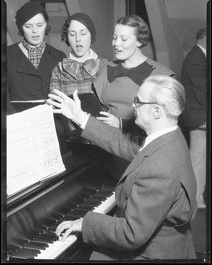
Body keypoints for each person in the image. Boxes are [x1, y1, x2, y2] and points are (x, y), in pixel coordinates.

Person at [47, 75, 197, 261]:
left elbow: (131, 233)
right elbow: (123, 142)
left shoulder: (160, 167)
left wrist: (85, 222)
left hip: (155, 253)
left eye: (138, 102)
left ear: (157, 111)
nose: (133, 107)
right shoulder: (169, 137)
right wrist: (80, 117)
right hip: (164, 240)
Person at [94, 14, 175, 180]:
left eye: (124, 39)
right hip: (107, 150)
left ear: (139, 41)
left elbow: (163, 128)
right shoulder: (106, 68)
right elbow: (99, 107)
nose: (116, 44)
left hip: (140, 154)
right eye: (115, 38)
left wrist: (121, 124)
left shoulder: (161, 75)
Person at [49, 13, 108, 145]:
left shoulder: (106, 67)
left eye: (83, 33)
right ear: (67, 37)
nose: (78, 39)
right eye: (72, 34)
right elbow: (55, 114)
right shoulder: (58, 70)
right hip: (72, 142)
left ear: (91, 35)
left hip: (105, 140)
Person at [7, 2, 66, 107]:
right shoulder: (7, 55)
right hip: (17, 120)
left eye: (39, 25)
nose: (35, 31)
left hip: (54, 120)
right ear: (21, 28)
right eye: (28, 26)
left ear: (46, 24)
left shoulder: (59, 56)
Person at [181, 27, 207, 209]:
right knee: (197, 160)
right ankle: (195, 200)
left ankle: (197, 199)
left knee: (199, 159)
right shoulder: (196, 59)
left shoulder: (198, 56)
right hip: (199, 115)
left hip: (200, 114)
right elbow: (203, 95)